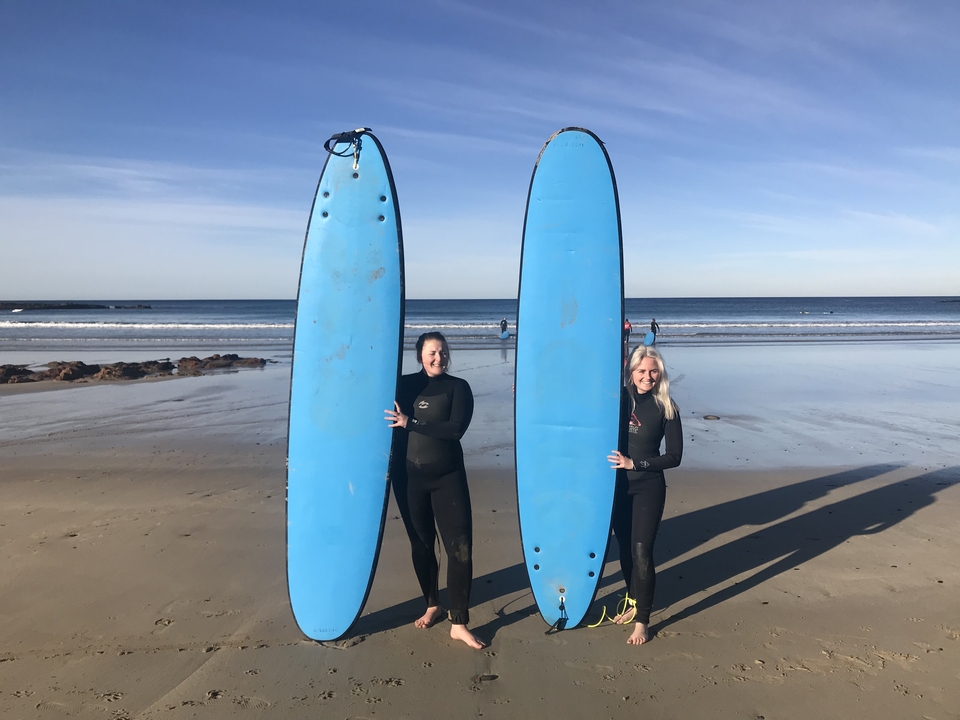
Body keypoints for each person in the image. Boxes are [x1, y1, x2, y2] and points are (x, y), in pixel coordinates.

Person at [384, 332, 485, 649]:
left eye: (442, 352)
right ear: (419, 355)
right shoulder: (403, 385)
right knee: (421, 545)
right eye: (431, 352)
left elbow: (455, 430)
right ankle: (432, 604)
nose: (438, 357)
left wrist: (410, 422)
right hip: (408, 478)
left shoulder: (458, 388)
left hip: (448, 478)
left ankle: (459, 622)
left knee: (460, 548)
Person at [606, 346, 682, 645]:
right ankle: (633, 600)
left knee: (641, 551)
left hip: (648, 485)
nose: (647, 377)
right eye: (642, 371)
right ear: (631, 372)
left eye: (653, 371)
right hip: (617, 487)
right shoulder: (617, 400)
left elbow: (674, 456)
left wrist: (635, 464)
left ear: (659, 373)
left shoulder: (667, 407)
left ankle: (642, 621)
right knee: (625, 549)